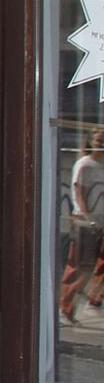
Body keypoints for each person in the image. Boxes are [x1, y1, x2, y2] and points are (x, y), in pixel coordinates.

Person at [63, 129, 104, 320]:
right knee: (81, 266)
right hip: (86, 224)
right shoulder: (85, 164)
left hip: (101, 222)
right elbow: (79, 193)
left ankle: (93, 302)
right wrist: (88, 218)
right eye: (98, 139)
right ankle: (67, 308)